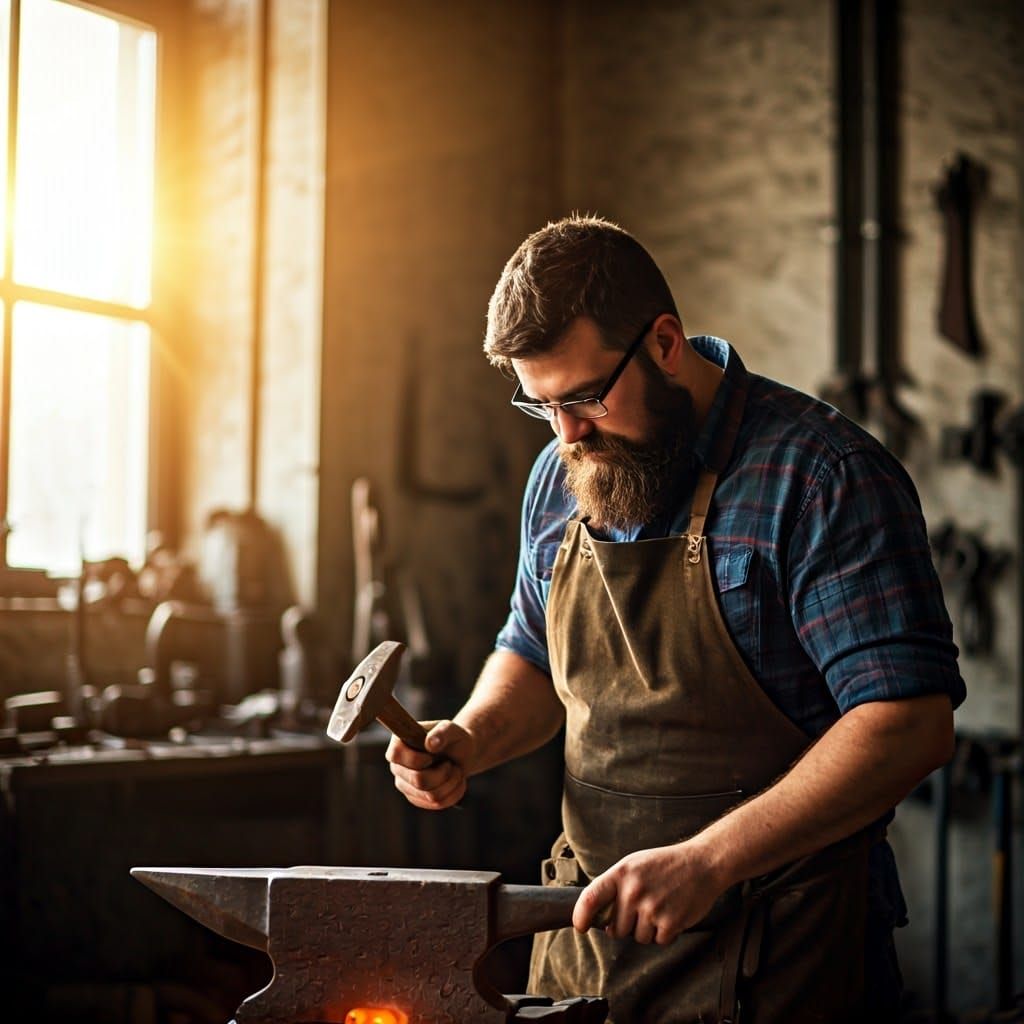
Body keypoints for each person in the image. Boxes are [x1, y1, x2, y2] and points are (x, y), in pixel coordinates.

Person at [386, 215, 965, 1023]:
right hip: (586, 950)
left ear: (664, 342)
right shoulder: (561, 474)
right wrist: (473, 737)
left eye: (587, 396)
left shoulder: (821, 476)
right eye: (541, 405)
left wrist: (709, 861)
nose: (567, 434)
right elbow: (530, 652)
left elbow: (907, 724)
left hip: (782, 960)